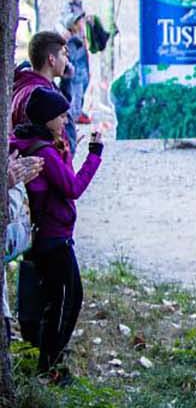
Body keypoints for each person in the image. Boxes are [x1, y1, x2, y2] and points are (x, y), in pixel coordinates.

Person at [10, 86, 102, 383]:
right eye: (61, 116)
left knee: (53, 300)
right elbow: (72, 188)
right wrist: (94, 156)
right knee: (65, 301)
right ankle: (50, 366)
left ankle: (46, 359)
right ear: (47, 118)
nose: (65, 121)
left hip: (41, 235)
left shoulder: (26, 141)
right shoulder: (45, 152)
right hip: (53, 236)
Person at [12, 32, 75, 148]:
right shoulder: (39, 95)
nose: (67, 60)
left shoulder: (23, 84)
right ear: (51, 59)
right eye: (64, 54)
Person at [61, 12, 90, 125]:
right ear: (73, 25)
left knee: (79, 97)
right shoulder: (74, 41)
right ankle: (72, 121)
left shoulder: (79, 39)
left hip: (81, 75)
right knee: (75, 99)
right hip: (76, 76)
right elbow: (73, 57)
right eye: (78, 22)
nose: (81, 23)